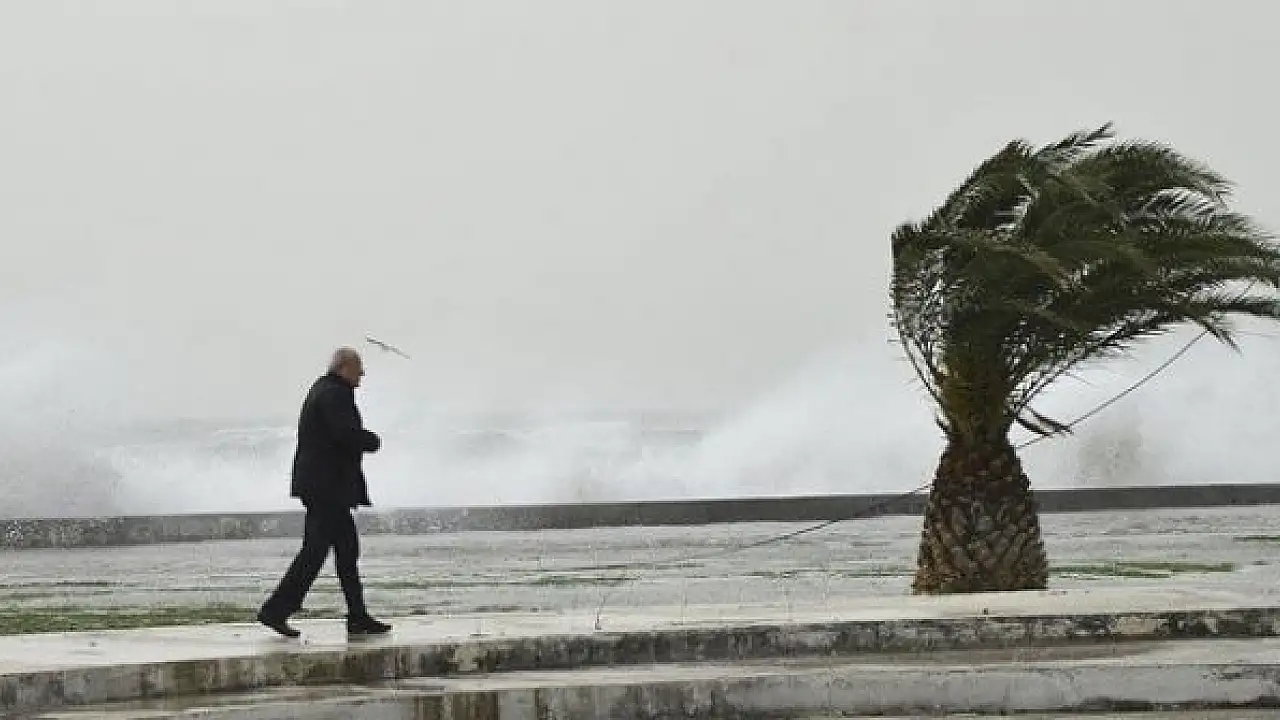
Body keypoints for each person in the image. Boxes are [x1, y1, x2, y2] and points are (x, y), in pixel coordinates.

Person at [257, 346, 391, 638]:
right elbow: (344, 435)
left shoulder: (325, 390)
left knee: (343, 551)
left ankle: (356, 615)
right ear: (344, 368)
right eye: (358, 368)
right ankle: (276, 609)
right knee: (318, 553)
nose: (362, 374)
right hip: (327, 488)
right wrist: (371, 440)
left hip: (324, 487)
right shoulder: (334, 394)